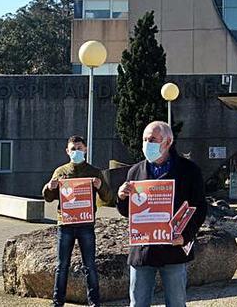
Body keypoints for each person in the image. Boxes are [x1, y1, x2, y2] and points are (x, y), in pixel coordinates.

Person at [116, 121, 207, 307]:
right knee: (138, 303)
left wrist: (185, 236)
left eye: (153, 139)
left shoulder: (189, 171)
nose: (147, 144)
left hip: (173, 249)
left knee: (176, 302)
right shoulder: (135, 171)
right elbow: (128, 213)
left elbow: (199, 208)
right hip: (143, 250)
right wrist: (121, 197)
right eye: (144, 139)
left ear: (168, 141)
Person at [42, 135, 113, 307]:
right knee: (61, 265)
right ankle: (58, 302)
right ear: (67, 151)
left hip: (86, 224)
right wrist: (49, 187)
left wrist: (100, 186)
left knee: (89, 265)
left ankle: (94, 302)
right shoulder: (60, 171)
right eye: (73, 149)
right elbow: (48, 198)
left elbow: (108, 197)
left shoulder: (94, 172)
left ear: (86, 149)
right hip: (65, 224)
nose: (76, 151)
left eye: (79, 148)